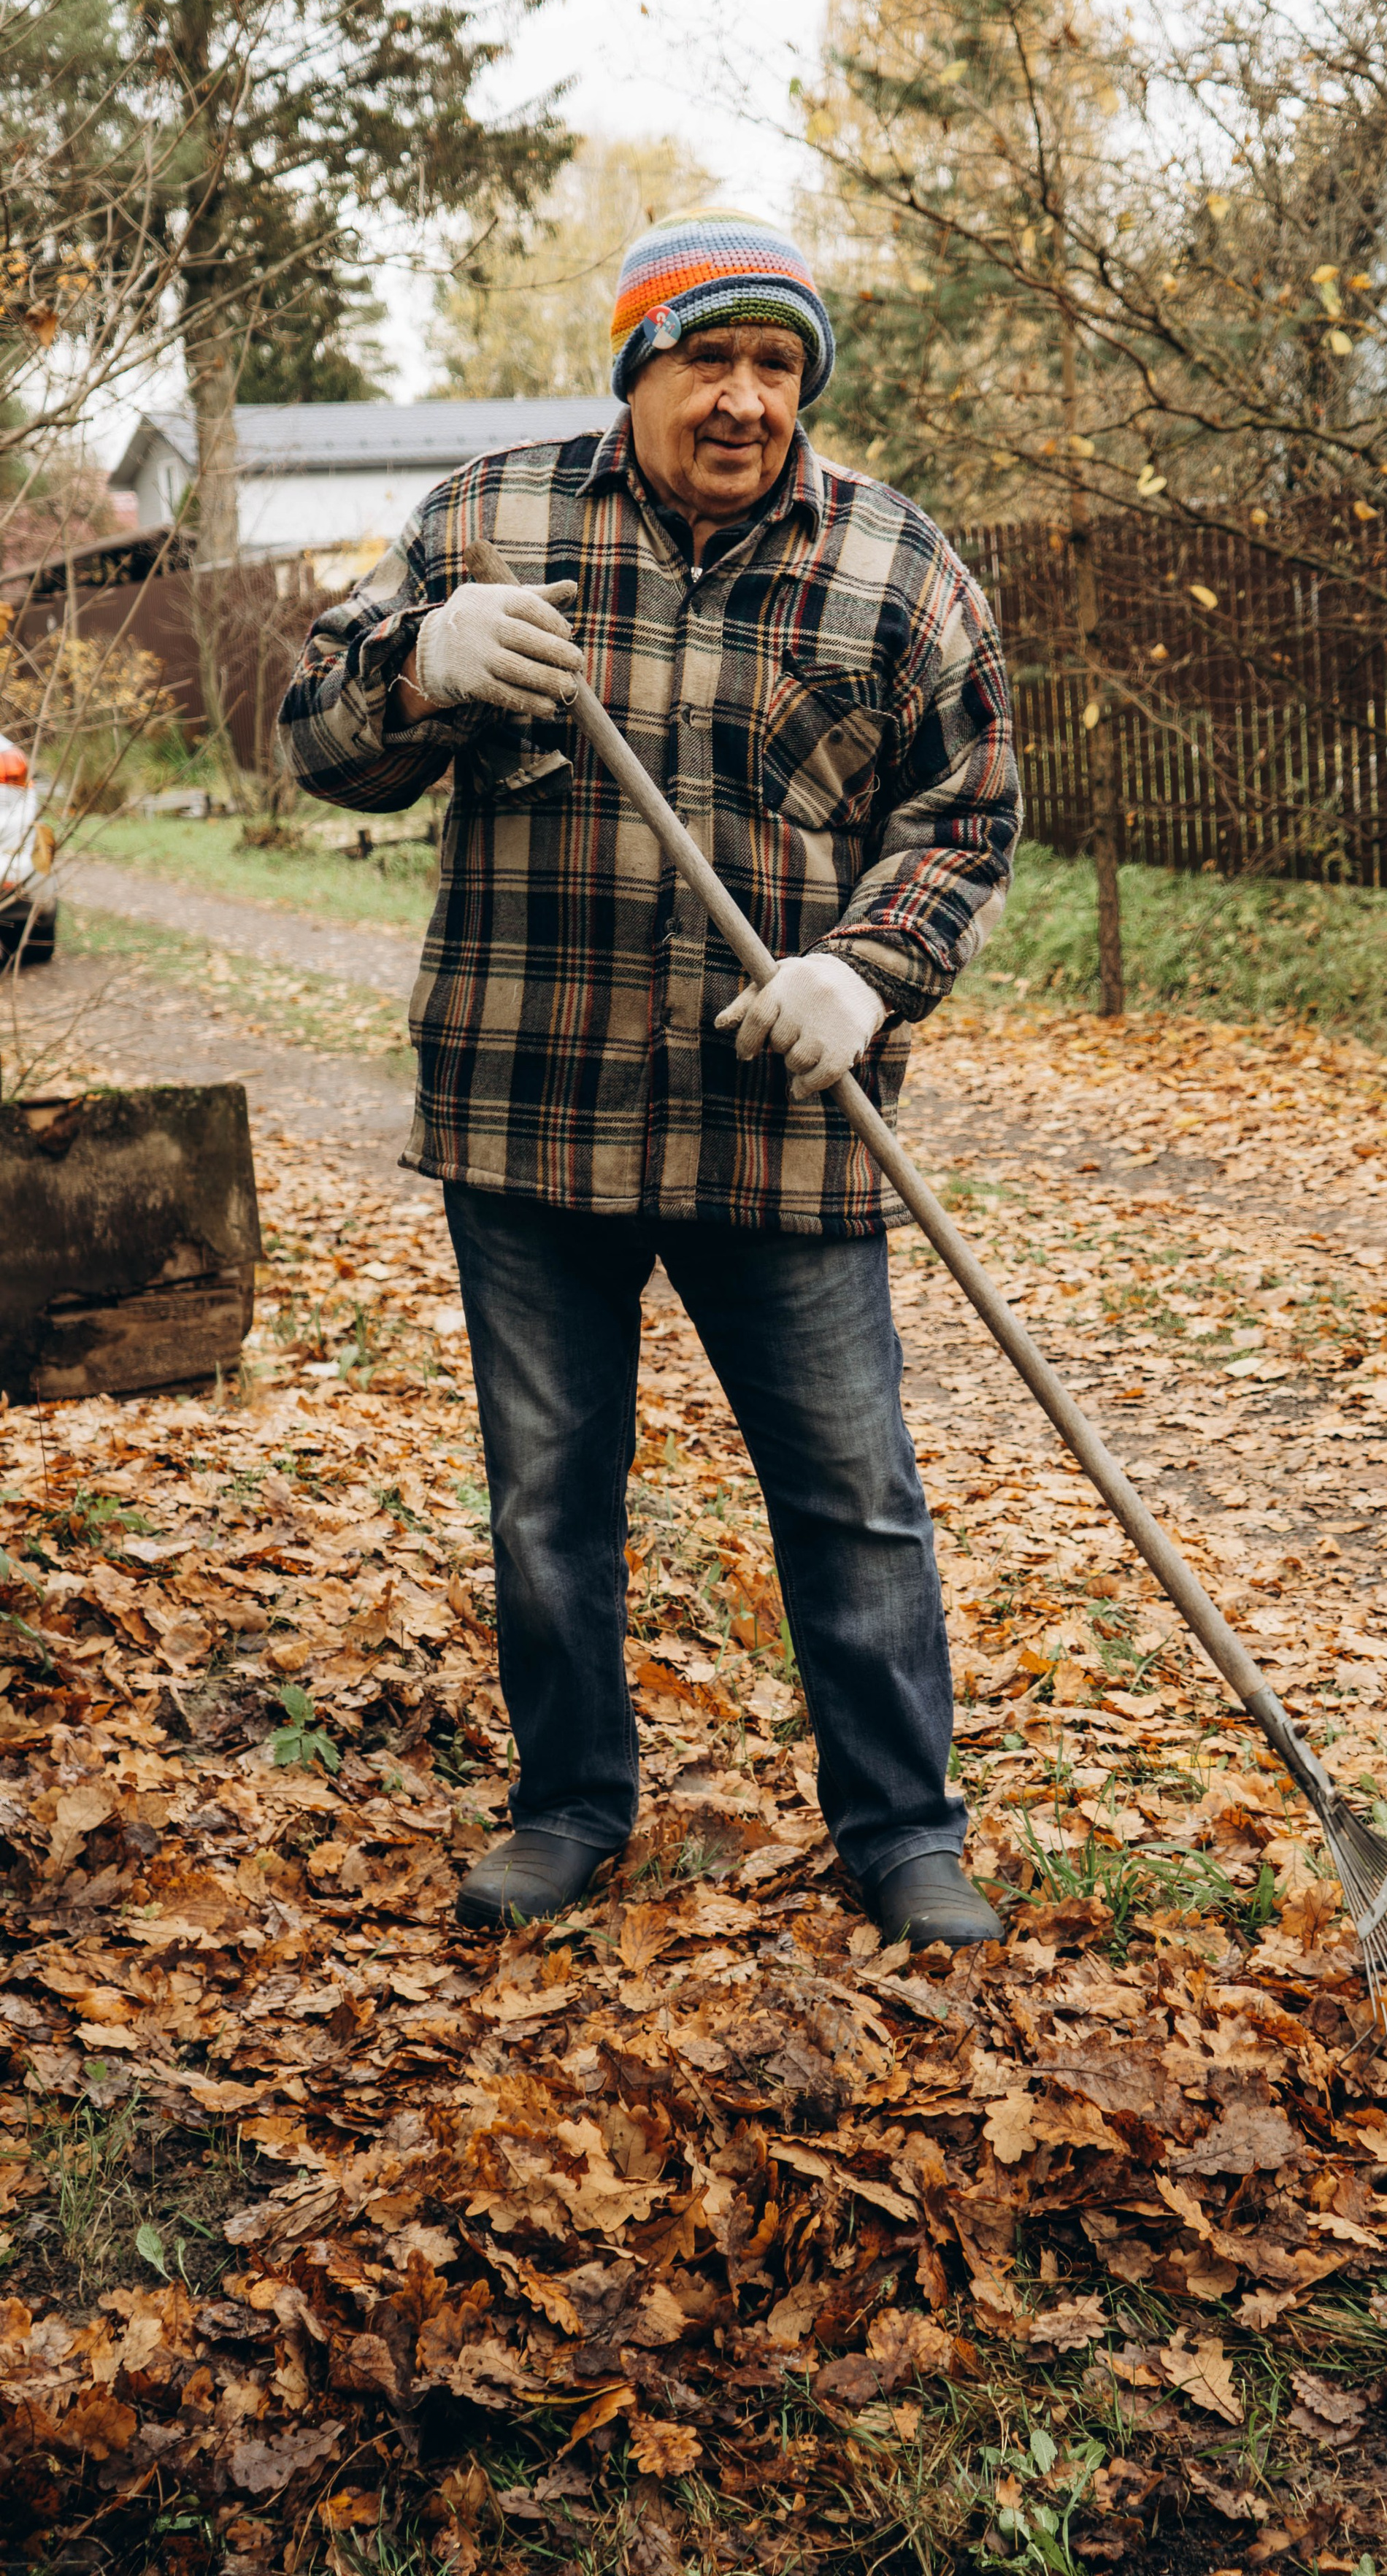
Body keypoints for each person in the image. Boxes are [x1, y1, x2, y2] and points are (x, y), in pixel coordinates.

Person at [279, 210, 1021, 1947]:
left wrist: (866, 969)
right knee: (549, 1496)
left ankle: (903, 1835)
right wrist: (419, 667)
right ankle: (567, 1807)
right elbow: (317, 740)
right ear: (638, 369)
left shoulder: (897, 571)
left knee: (854, 1499)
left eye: (778, 366)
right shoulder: (487, 521)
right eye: (711, 360)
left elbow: (965, 821)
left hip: (784, 1134)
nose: (746, 399)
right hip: (531, 1114)